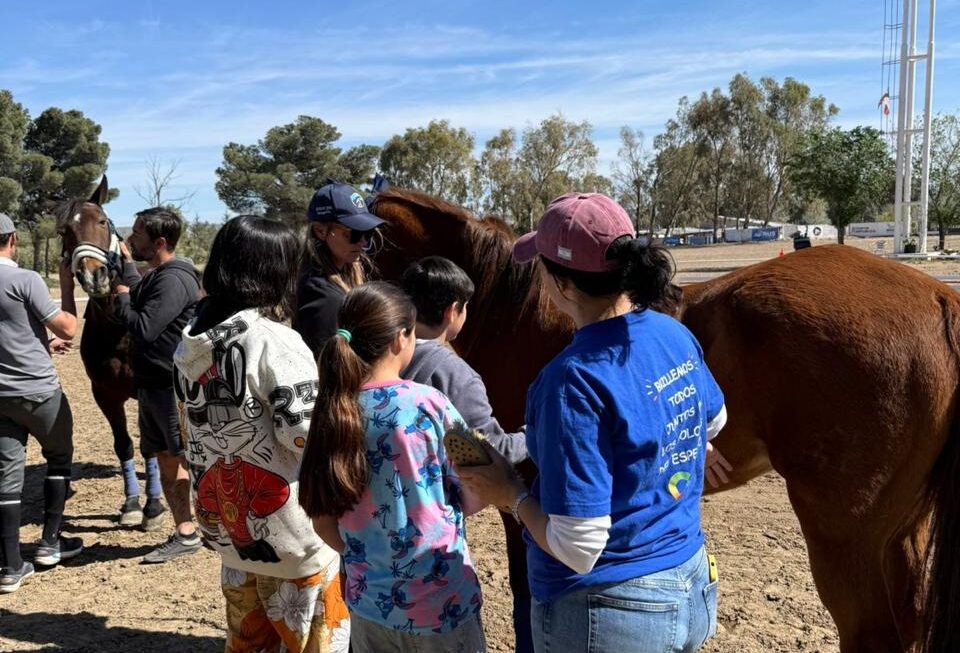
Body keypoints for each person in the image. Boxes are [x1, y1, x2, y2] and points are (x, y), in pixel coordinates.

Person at [457, 193, 730, 653]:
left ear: (563, 285)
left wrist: (511, 494)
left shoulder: (570, 381)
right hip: (689, 584)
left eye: (541, 268)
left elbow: (578, 547)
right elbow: (715, 420)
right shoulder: (672, 333)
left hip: (609, 611)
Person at [174, 215, 348, 652]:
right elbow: (308, 436)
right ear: (275, 271)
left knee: (249, 642)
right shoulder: (274, 341)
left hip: (229, 534)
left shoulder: (189, 342)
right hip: (295, 539)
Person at [298, 282, 486, 653]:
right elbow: (481, 483)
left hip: (370, 607)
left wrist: (364, 555)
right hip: (442, 602)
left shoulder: (332, 412)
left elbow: (322, 520)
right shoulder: (428, 404)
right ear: (401, 338)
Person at [113, 207, 202, 563]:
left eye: (137, 234)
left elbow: (144, 327)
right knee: (166, 457)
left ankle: (191, 531)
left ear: (160, 242)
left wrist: (120, 297)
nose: (131, 238)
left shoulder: (174, 278)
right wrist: (127, 271)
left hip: (170, 387)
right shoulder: (159, 275)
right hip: (153, 385)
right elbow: (142, 292)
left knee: (178, 458)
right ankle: (186, 530)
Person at [0, 212, 83, 593]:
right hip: (37, 390)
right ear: (13, 239)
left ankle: (11, 565)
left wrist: (39, 344)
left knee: (6, 478)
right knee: (59, 457)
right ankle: (49, 544)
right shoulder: (25, 279)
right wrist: (66, 288)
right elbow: (67, 326)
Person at [400, 256, 527, 465]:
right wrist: (531, 436)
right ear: (452, 311)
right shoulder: (457, 376)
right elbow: (495, 449)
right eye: (465, 306)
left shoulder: (380, 352)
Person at [294, 180, 384, 358]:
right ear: (320, 231)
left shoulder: (338, 280)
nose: (363, 242)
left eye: (368, 232)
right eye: (354, 234)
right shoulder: (324, 297)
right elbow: (330, 371)